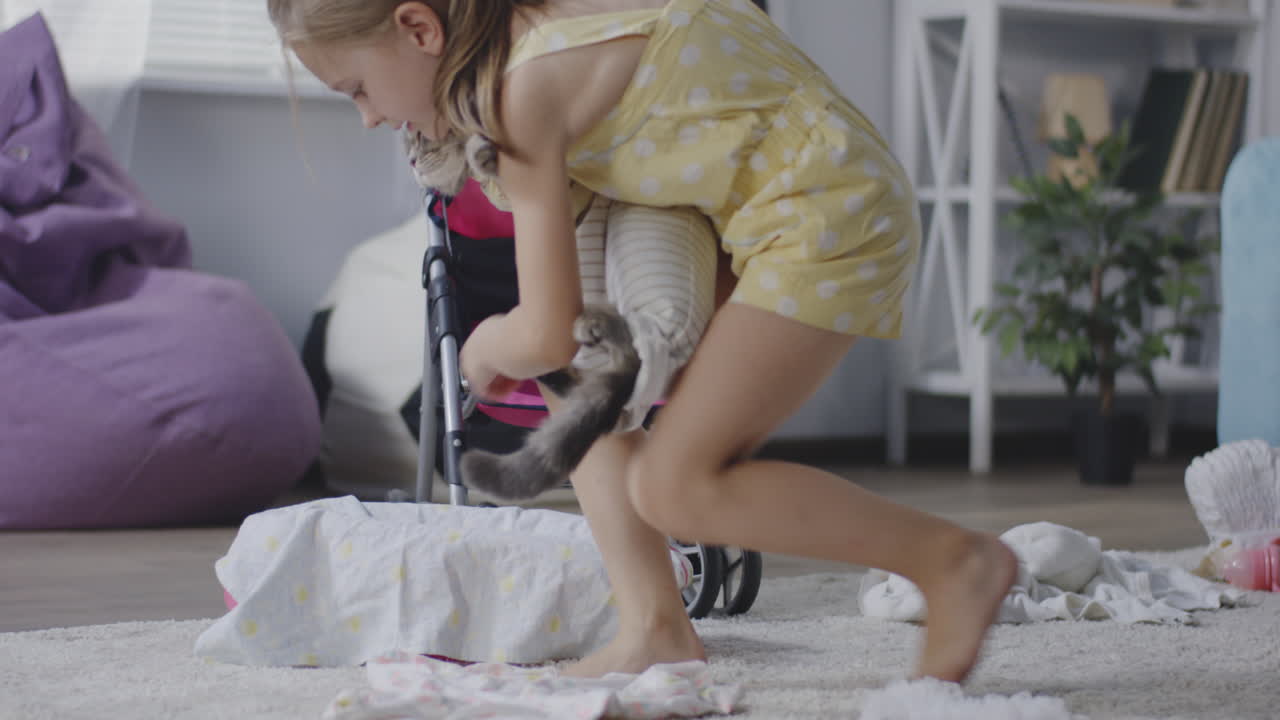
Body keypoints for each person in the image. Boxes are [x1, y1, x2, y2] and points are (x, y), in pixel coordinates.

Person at [268, 0, 1018, 683]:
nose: (368, 118)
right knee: (585, 382)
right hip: (767, 202)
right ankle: (654, 625)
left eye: (357, 89)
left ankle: (953, 562)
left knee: (680, 487)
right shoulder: (539, 30)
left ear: (419, 29)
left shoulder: (522, 96)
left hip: (823, 217)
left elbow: (542, 327)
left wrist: (484, 348)